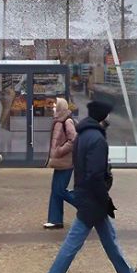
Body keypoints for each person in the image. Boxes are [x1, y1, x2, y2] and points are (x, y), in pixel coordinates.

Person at [39, 100, 137, 273]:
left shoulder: (83, 135)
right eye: (107, 115)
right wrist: (104, 199)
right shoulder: (97, 139)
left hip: (86, 195)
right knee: (72, 243)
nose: (109, 118)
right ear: (102, 116)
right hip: (92, 200)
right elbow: (95, 174)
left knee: (109, 238)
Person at [44, 97, 80, 230]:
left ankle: (85, 205)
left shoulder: (67, 121)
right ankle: (55, 220)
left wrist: (59, 151)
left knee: (59, 190)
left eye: (55, 106)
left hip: (66, 162)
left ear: (60, 108)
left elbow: (73, 140)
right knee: (55, 190)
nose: (53, 108)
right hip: (60, 162)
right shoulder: (58, 120)